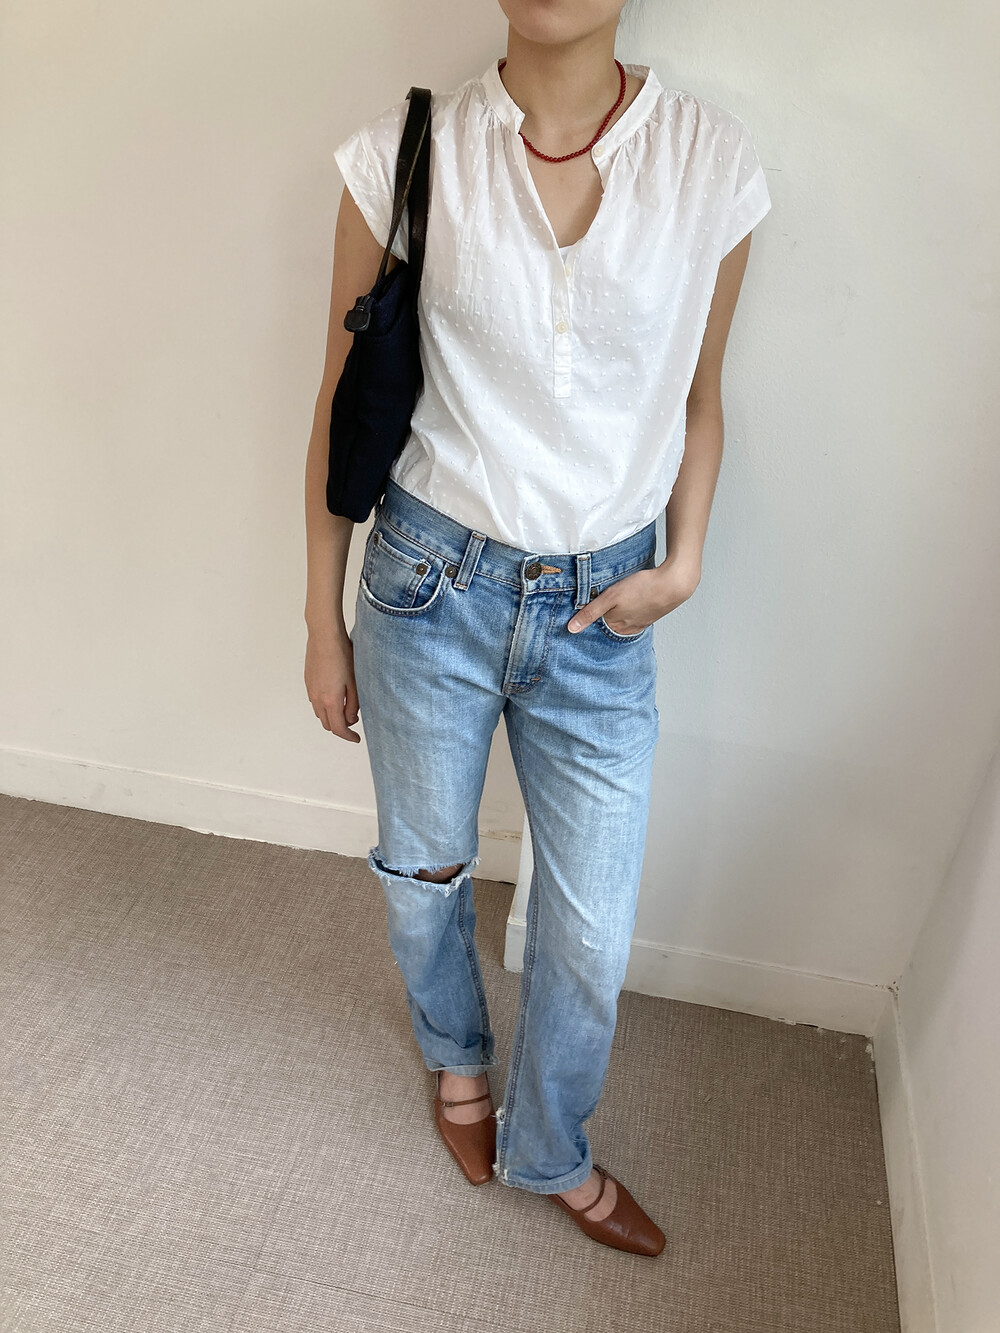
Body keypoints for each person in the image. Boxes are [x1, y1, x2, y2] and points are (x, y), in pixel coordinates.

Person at [304, 0, 771, 1257]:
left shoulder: (710, 162)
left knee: (590, 925)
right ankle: (457, 1060)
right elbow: (340, 407)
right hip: (426, 582)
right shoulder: (400, 157)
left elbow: (701, 395)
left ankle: (552, 1143)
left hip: (605, 610)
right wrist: (318, 616)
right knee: (422, 870)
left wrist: (684, 564)